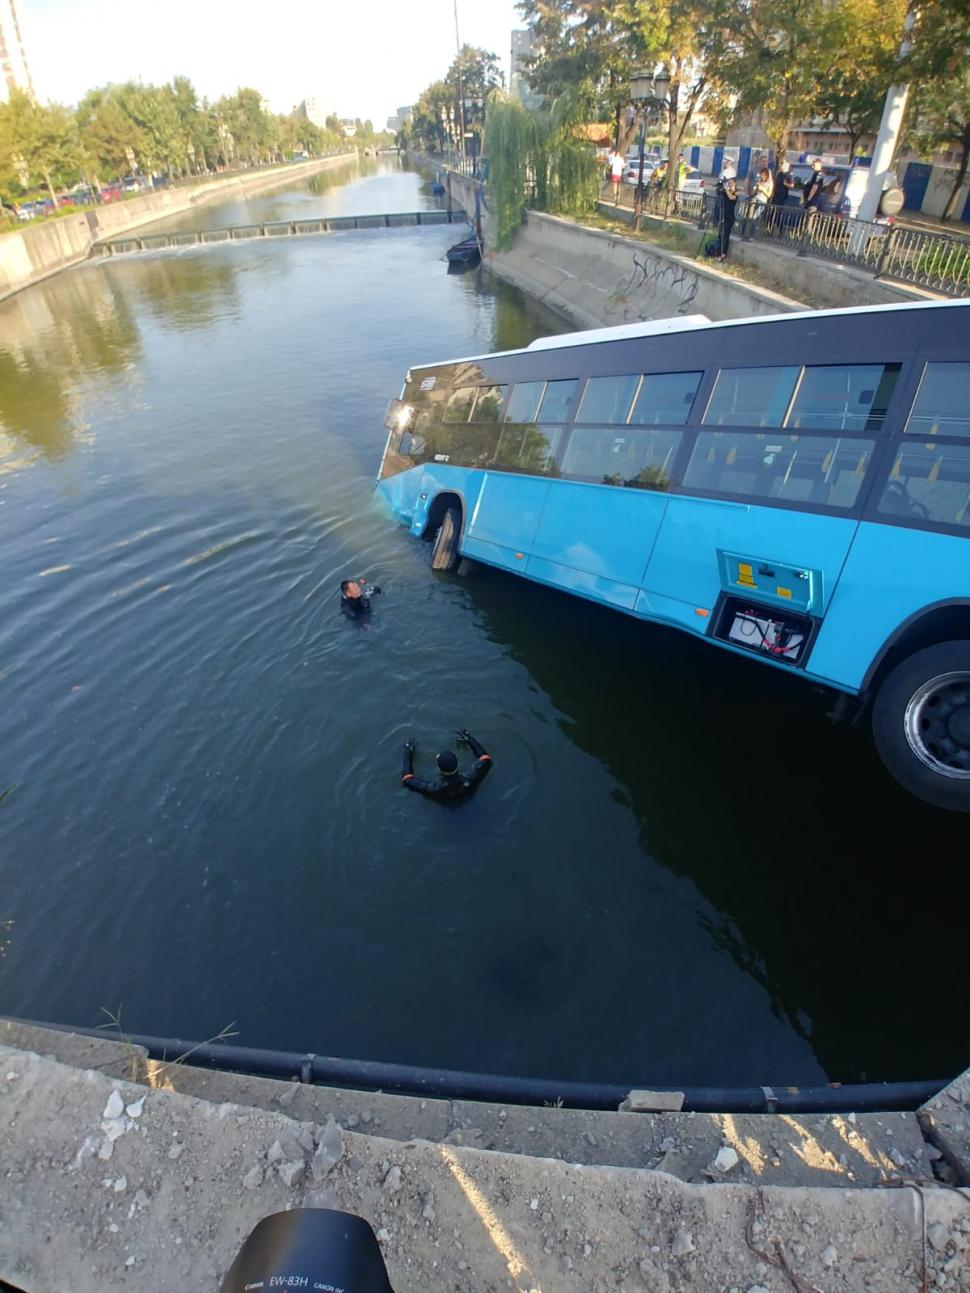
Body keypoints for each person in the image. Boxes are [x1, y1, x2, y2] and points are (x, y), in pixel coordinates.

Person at [400, 729, 492, 803]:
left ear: (438, 768)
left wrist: (407, 752)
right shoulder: (470, 780)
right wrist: (470, 740)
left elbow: (406, 779)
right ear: (458, 764)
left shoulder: (434, 789)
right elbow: (486, 759)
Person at [716, 168, 739, 261]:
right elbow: (719, 192)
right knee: (720, 235)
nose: (729, 185)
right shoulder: (725, 192)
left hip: (729, 217)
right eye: (728, 183)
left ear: (734, 184)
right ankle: (718, 252)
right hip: (723, 216)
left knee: (725, 235)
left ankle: (723, 254)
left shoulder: (736, 193)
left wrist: (726, 190)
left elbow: (731, 198)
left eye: (731, 183)